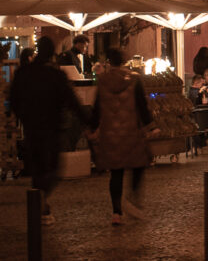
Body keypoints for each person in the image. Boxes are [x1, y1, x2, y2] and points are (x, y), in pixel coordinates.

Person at [8, 36, 86, 225]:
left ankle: (40, 203)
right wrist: (89, 121)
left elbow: (13, 98)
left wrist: (21, 116)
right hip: (52, 128)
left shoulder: (23, 72)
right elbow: (72, 100)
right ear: (51, 53)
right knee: (53, 168)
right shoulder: (55, 75)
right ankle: (42, 199)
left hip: (32, 128)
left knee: (37, 168)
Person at [88, 48, 153, 225]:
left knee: (116, 173)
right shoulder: (134, 79)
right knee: (139, 165)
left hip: (110, 132)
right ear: (124, 61)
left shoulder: (102, 81)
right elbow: (141, 105)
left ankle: (116, 212)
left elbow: (97, 107)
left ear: (109, 62)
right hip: (131, 130)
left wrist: (93, 127)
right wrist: (150, 125)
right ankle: (132, 200)